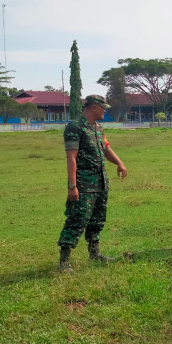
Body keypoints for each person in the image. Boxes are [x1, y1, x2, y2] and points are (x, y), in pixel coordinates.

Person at [57, 94, 128, 272]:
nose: (105, 111)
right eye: (103, 108)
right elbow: (71, 158)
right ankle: (64, 262)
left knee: (97, 219)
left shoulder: (98, 128)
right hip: (83, 184)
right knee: (77, 219)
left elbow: (106, 148)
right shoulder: (75, 128)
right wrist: (72, 186)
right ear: (94, 107)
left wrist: (119, 163)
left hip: (101, 183)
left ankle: (94, 253)